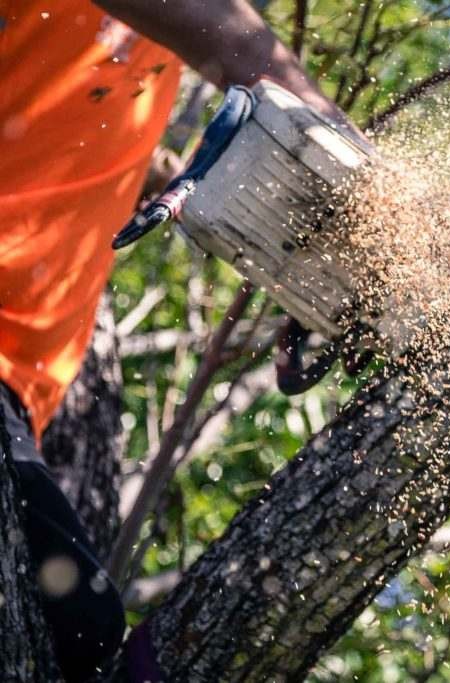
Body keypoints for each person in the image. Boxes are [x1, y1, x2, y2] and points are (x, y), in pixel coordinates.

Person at [0, 1, 349, 679]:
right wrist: (366, 184)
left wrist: (309, 253)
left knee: (81, 640)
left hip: (17, 388)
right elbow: (236, 45)